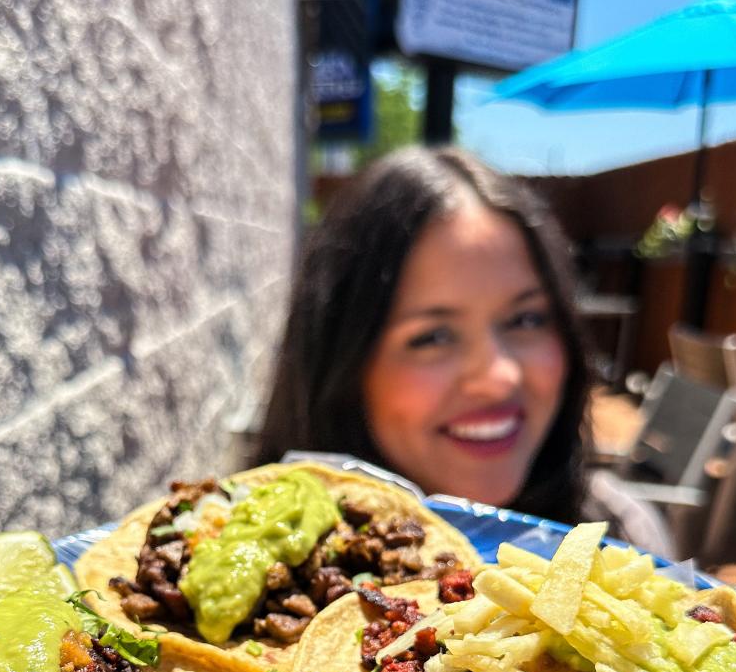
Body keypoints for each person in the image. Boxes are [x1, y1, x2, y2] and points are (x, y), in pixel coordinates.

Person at [256, 146, 671, 554]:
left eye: (526, 319)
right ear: (339, 362)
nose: (498, 378)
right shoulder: (242, 559)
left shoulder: (626, 537)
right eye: (432, 336)